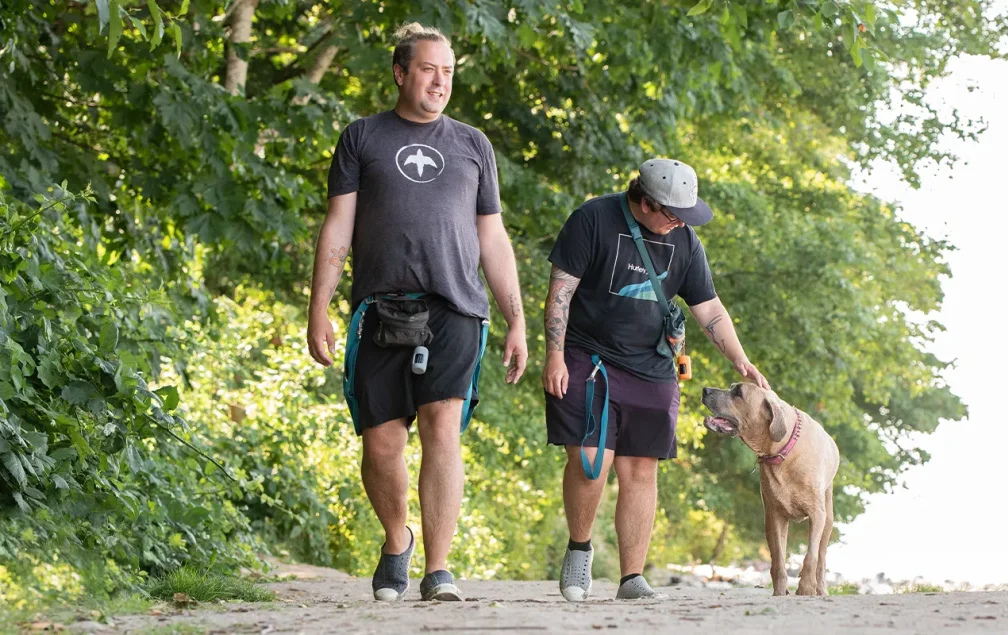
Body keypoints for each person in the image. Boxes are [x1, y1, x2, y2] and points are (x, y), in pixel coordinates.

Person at [305, 22, 528, 603]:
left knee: (442, 430)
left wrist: (517, 319)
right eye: (428, 69)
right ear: (401, 72)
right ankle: (396, 538)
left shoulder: (473, 144)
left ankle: (439, 568)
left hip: (456, 307)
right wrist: (319, 307)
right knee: (380, 442)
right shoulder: (362, 138)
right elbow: (338, 226)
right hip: (379, 307)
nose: (440, 81)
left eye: (448, 71)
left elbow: (494, 239)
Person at [542, 158, 769, 601]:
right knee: (591, 463)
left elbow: (711, 310)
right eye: (672, 214)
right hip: (589, 357)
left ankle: (632, 578)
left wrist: (741, 361)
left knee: (641, 469)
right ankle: (580, 547)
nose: (680, 224)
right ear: (644, 202)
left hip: (653, 365)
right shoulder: (593, 219)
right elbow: (561, 291)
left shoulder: (685, 240)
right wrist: (554, 355)